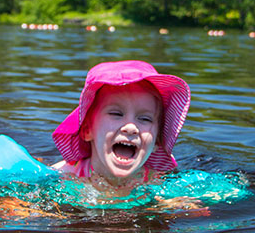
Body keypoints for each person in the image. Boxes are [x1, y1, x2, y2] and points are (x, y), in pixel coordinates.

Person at [52, 60, 190, 193]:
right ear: (88, 130)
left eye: (144, 119)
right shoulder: (65, 174)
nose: (130, 128)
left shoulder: (158, 181)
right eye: (116, 114)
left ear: (156, 141)